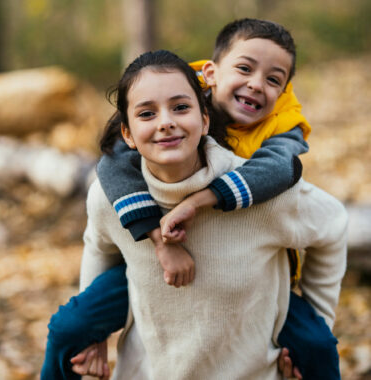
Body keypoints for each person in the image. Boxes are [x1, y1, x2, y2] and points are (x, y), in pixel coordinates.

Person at [40, 20, 343, 379]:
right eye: (245, 68)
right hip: (149, 273)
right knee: (68, 329)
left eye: (274, 79)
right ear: (211, 74)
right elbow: (115, 162)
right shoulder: (174, 92)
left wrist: (201, 200)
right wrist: (156, 238)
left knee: (318, 348)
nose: (256, 84)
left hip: (258, 280)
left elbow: (283, 170)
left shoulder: (282, 125)